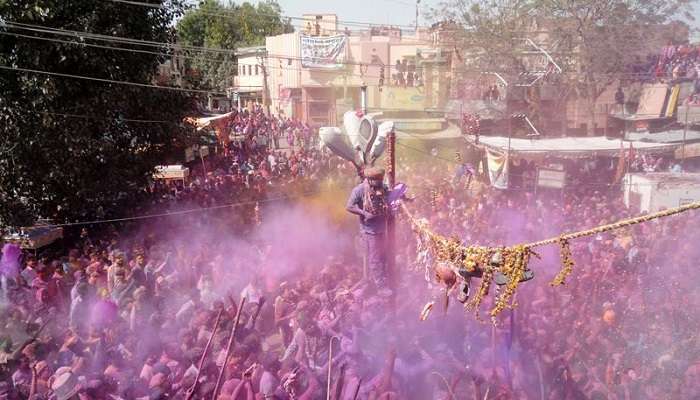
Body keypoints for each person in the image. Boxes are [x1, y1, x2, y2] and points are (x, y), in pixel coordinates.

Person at [346, 167, 389, 290]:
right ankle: (380, 285)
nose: (379, 183)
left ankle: (384, 277)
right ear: (369, 180)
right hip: (369, 231)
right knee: (374, 258)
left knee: (383, 255)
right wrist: (364, 213)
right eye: (377, 180)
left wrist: (404, 198)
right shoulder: (359, 190)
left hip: (382, 228)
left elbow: (390, 195)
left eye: (381, 180)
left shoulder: (383, 187)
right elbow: (349, 206)